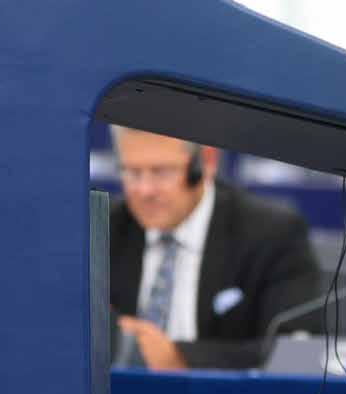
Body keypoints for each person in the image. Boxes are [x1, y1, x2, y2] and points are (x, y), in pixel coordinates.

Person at [109, 126, 322, 370]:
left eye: (161, 172)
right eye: (132, 173)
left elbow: (295, 352)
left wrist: (181, 358)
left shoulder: (272, 233)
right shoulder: (103, 227)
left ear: (207, 162)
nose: (144, 190)